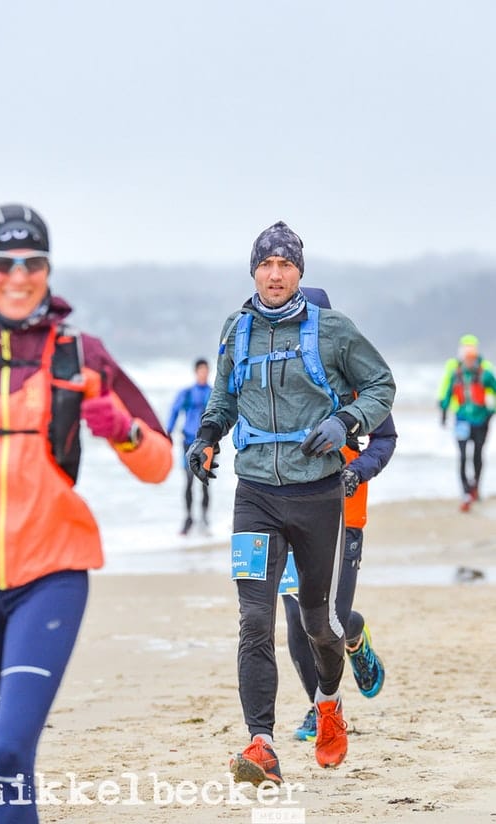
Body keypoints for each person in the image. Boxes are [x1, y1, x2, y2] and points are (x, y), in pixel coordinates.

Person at [0, 203, 172, 823]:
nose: (18, 276)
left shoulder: (81, 354)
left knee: (11, 749)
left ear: (48, 270)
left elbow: (159, 464)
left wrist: (122, 430)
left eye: (33, 263)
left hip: (51, 574)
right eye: (4, 262)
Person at [186, 220, 395, 781]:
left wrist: (346, 421)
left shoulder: (333, 330)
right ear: (253, 271)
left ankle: (328, 703)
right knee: (254, 621)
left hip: (317, 495)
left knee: (318, 623)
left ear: (299, 271)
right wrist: (206, 438)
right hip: (254, 495)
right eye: (265, 264)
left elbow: (382, 386)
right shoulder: (236, 330)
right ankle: (261, 743)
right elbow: (224, 398)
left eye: (285, 265)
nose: (274, 274)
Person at [283, 412, 397, 741]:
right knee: (297, 617)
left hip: (344, 512)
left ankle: (355, 637)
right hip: (288, 509)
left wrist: (356, 472)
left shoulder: (359, 383)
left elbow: (384, 438)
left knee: (329, 619)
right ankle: (322, 707)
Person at [438, 334, 496, 512]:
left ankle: (475, 486)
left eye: (472, 357)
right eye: (466, 356)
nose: (469, 360)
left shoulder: (486, 373)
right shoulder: (455, 373)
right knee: (463, 456)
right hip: (461, 419)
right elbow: (447, 393)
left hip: (481, 420)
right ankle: (465, 492)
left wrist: (490, 413)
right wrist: (443, 412)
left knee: (478, 454)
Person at [166, 358, 213, 535]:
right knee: (189, 480)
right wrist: (168, 432)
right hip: (188, 443)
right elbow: (175, 411)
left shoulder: (212, 393)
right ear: (196, 372)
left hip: (207, 444)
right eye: (201, 371)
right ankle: (188, 518)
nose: (204, 374)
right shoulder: (187, 393)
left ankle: (205, 518)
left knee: (205, 482)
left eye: (206, 371)